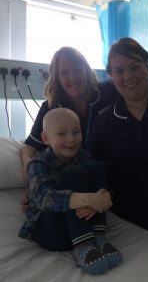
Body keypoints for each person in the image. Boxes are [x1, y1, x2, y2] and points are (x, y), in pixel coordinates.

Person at [88, 37, 148, 240]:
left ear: (147, 65)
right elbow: (93, 170)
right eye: (119, 71)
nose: (128, 76)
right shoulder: (104, 122)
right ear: (110, 76)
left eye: (135, 67)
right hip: (128, 224)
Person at [19, 108, 123, 275]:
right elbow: (43, 198)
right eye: (61, 134)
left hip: (84, 222)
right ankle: (83, 246)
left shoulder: (83, 155)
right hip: (53, 231)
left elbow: (101, 188)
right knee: (75, 172)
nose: (71, 139)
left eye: (76, 132)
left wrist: (104, 196)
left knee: (94, 167)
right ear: (46, 138)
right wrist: (89, 200)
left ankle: (98, 237)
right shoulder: (37, 164)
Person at [20, 46, 116, 172]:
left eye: (77, 70)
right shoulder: (51, 107)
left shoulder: (109, 92)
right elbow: (30, 146)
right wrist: (29, 168)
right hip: (71, 173)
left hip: (111, 167)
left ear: (86, 70)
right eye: (64, 73)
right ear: (57, 78)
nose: (73, 77)